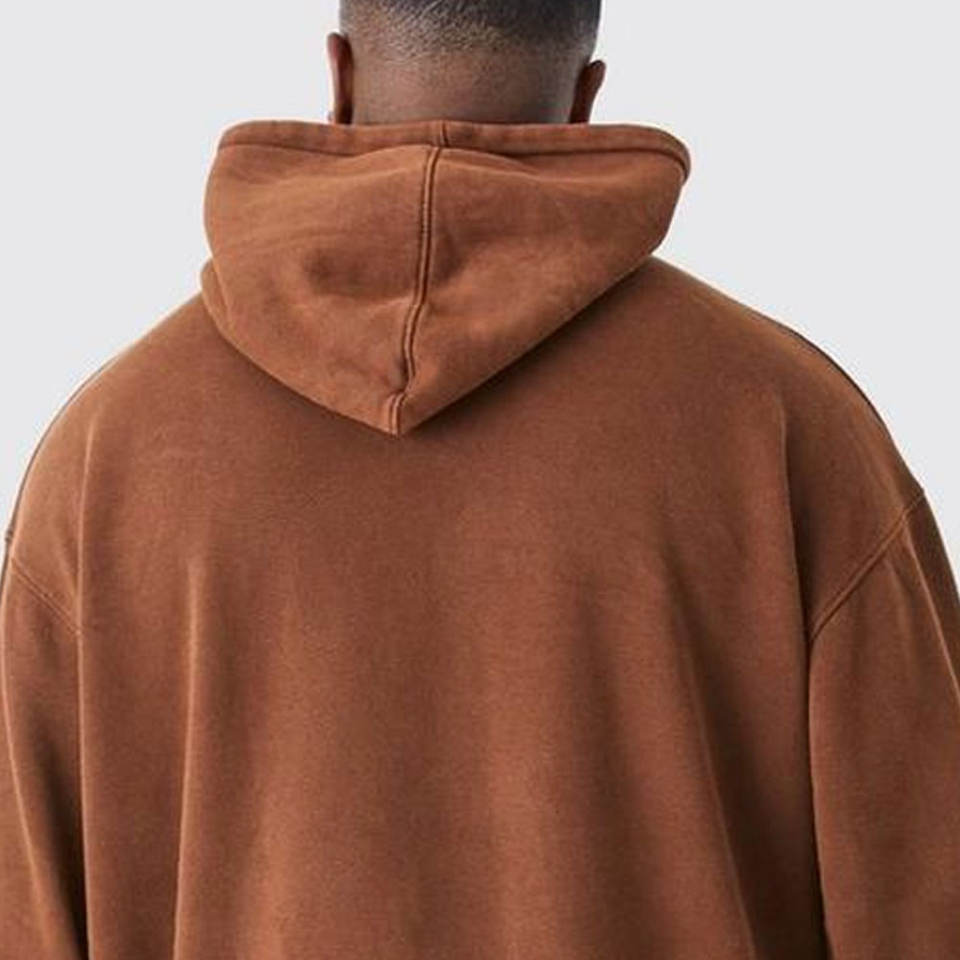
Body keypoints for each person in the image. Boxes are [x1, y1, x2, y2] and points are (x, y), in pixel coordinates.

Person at [2, 1, 958, 957]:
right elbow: (925, 896)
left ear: (338, 76)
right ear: (586, 98)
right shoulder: (785, 422)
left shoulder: (110, 451)